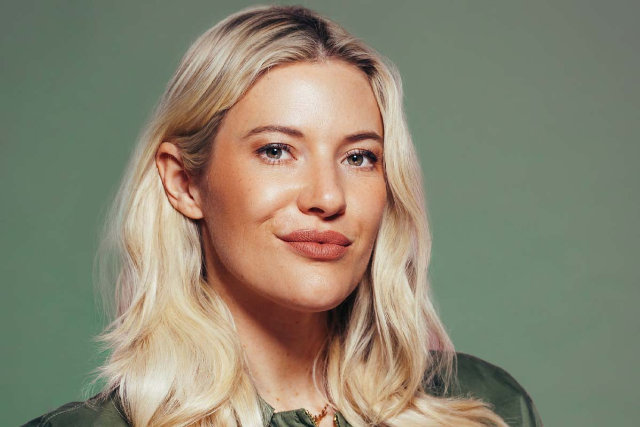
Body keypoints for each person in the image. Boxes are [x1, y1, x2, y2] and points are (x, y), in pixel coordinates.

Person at [21, 4, 542, 427]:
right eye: (276, 151)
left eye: (359, 157)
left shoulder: (486, 407)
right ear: (184, 183)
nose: (328, 197)